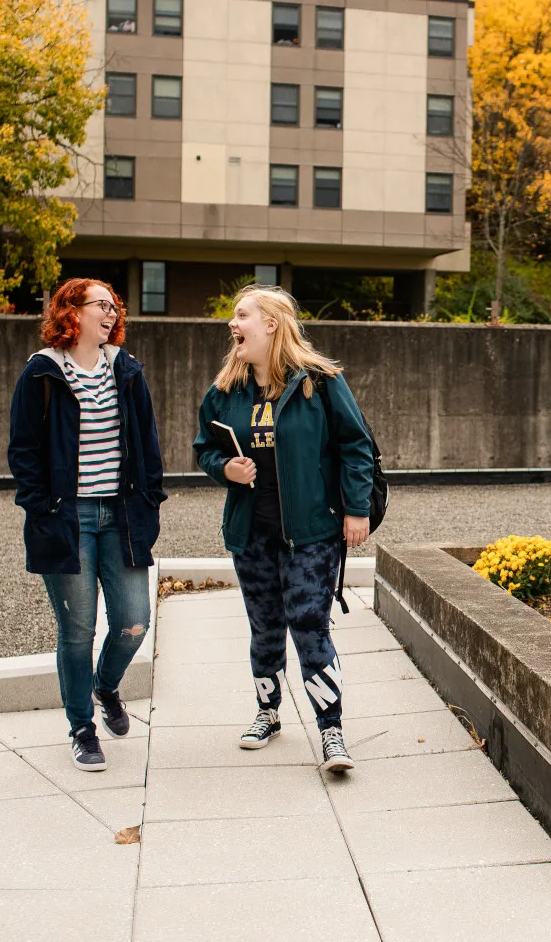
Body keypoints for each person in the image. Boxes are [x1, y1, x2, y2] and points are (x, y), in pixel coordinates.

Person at [193, 285, 374, 773]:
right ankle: (267, 714)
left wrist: (357, 510)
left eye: (241, 315)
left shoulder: (320, 381)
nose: (233, 325)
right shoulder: (225, 390)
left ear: (271, 323)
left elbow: (356, 445)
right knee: (265, 625)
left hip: (313, 531)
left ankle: (332, 731)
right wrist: (224, 469)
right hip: (251, 531)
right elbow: (204, 448)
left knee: (309, 623)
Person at [8, 278, 165, 772]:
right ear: (70, 312)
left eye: (114, 306)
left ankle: (106, 685)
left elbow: (148, 442)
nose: (112, 314)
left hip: (120, 517)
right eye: (102, 305)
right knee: (76, 630)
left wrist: (150, 501)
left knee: (134, 621)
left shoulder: (126, 370)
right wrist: (44, 509)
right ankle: (82, 728)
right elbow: (24, 451)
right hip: (68, 520)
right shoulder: (42, 373)